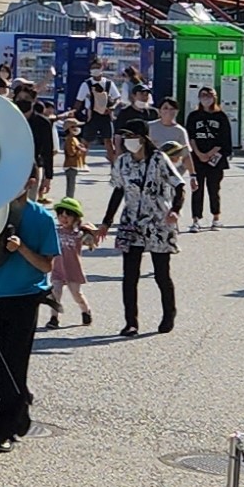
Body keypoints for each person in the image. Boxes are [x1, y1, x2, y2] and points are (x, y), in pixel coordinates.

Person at [0, 165, 58, 452]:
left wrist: (22, 248)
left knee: (14, 363)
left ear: (31, 182)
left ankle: (3, 431)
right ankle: (20, 400)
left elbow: (47, 265)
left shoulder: (42, 218)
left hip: (24, 297)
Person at [105, 121, 183, 336]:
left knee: (161, 274)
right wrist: (106, 222)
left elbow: (179, 185)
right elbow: (118, 191)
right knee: (129, 275)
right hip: (131, 222)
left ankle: (169, 313)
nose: (125, 141)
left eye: (129, 136)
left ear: (141, 137)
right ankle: (131, 322)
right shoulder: (122, 162)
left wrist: (175, 209)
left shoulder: (159, 159)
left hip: (159, 221)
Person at [184, 87, 233, 230]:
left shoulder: (221, 116)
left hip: (215, 158)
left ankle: (216, 217)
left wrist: (210, 153)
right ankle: (195, 219)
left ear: (215, 97)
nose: (206, 98)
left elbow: (224, 139)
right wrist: (199, 154)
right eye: (203, 95)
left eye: (209, 95)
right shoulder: (193, 116)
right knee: (196, 189)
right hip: (197, 157)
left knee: (214, 188)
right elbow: (190, 137)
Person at [45, 197, 96, 327]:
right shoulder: (55, 232)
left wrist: (89, 234)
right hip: (58, 269)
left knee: (76, 294)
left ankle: (86, 311)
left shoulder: (78, 234)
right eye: (61, 215)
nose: (64, 218)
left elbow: (91, 240)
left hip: (73, 269)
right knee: (55, 294)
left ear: (75, 218)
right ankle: (54, 318)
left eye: (68, 216)